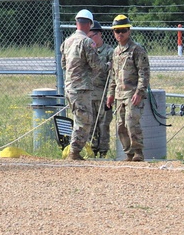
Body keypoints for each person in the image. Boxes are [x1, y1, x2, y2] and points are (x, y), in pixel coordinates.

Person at [59, 9, 104, 161]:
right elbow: (96, 65)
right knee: (84, 120)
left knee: (80, 118)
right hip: (81, 88)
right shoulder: (87, 42)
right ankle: (74, 152)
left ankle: (74, 150)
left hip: (70, 86)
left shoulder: (67, 41)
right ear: (89, 25)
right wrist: (108, 65)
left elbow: (64, 64)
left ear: (76, 23)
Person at [106, 14, 150, 162]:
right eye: (117, 31)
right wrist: (110, 94)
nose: (120, 34)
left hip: (132, 94)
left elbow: (144, 73)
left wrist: (139, 92)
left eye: (123, 30)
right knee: (120, 126)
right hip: (119, 94)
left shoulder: (137, 50)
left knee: (131, 122)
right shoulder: (115, 52)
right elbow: (113, 75)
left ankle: (138, 152)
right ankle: (128, 153)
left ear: (129, 31)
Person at [88, 21, 114, 157]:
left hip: (103, 94)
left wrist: (110, 94)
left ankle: (103, 153)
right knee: (90, 124)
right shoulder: (88, 51)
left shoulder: (109, 52)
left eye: (91, 36)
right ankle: (91, 151)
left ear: (99, 34)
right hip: (90, 94)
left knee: (103, 125)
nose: (90, 39)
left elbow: (113, 76)